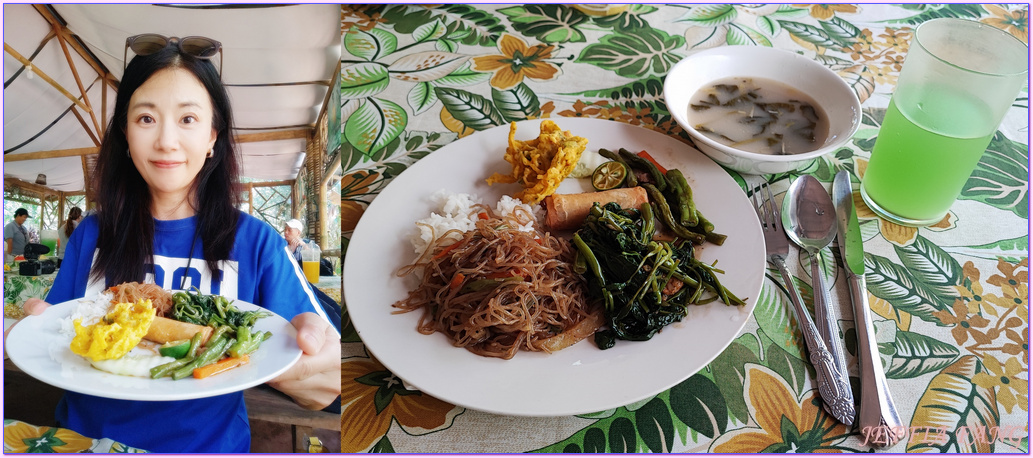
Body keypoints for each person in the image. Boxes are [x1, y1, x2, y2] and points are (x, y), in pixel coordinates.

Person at [14, 34, 340, 453]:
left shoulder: (257, 242)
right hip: (82, 441)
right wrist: (34, 335)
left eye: (188, 119)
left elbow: (326, 375)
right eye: (146, 118)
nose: (166, 140)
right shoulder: (92, 234)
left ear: (212, 138)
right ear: (126, 137)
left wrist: (317, 372)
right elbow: (56, 334)